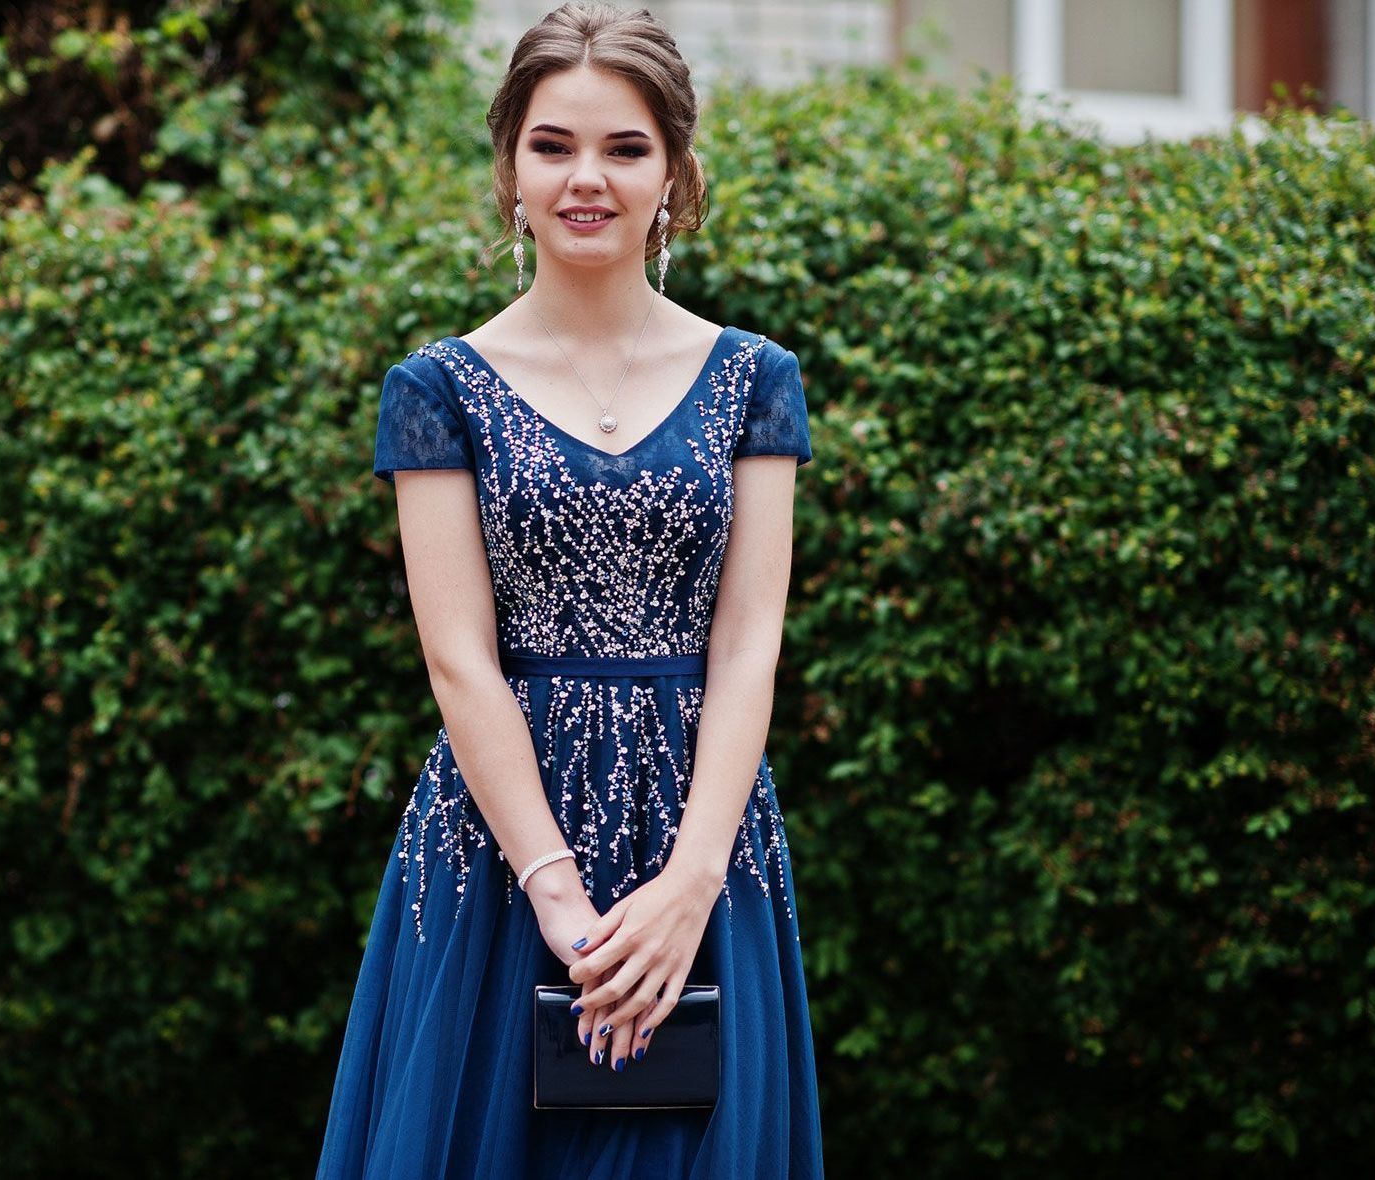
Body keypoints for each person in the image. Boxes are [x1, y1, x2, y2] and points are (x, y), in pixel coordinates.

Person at [315, 4, 824, 1176]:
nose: (585, 178)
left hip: (708, 838)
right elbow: (459, 659)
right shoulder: (438, 387)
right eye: (552, 145)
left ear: (675, 172)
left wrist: (692, 883)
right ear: (510, 167)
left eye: (624, 147)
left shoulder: (756, 379)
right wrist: (554, 894)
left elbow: (749, 642)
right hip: (500, 855)